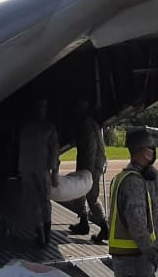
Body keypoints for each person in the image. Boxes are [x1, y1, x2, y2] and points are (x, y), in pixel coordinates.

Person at [108, 128, 158, 277]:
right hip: (135, 259)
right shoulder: (134, 183)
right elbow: (137, 226)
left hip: (131, 257)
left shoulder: (122, 177)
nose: (154, 152)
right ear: (142, 151)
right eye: (152, 148)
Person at [65, 99, 110, 242]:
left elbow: (90, 150)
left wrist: (87, 172)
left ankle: (104, 228)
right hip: (90, 164)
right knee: (81, 194)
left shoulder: (86, 124)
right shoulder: (90, 123)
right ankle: (83, 222)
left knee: (91, 196)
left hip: (91, 166)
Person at [18, 97, 60, 247]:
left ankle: (42, 233)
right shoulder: (48, 127)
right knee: (43, 201)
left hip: (29, 167)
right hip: (40, 168)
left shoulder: (26, 126)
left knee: (36, 201)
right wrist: (54, 172)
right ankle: (44, 233)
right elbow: (54, 151)